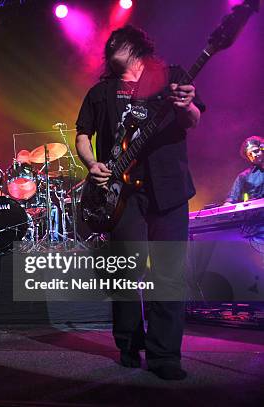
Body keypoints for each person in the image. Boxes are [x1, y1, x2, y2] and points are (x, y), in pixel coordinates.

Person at [75, 25, 205, 380]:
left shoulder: (171, 77)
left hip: (169, 186)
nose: (108, 46)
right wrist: (92, 164)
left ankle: (165, 355)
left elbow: (193, 120)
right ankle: (129, 343)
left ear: (134, 45)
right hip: (121, 194)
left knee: (168, 272)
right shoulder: (100, 92)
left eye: (116, 42)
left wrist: (186, 105)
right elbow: (82, 134)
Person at [225, 136, 263, 204]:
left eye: (256, 151)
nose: (254, 155)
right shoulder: (244, 176)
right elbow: (231, 200)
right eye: (250, 154)